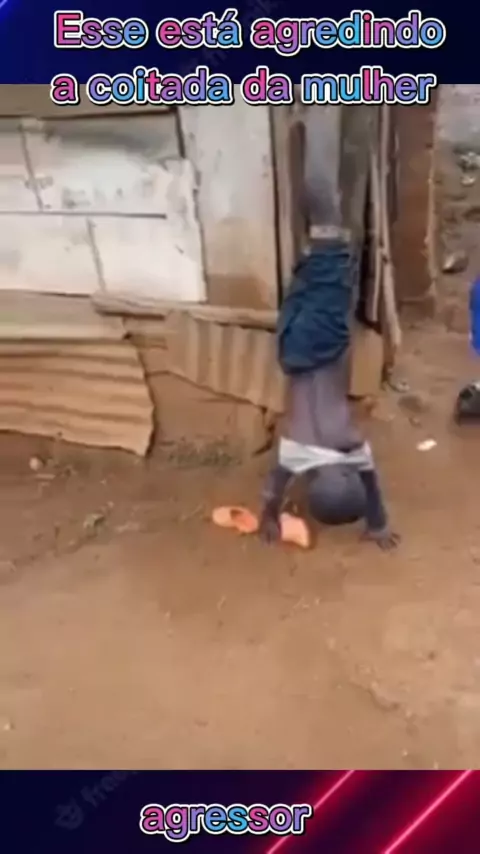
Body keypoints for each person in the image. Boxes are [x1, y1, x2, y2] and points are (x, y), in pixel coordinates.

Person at [258, 229, 399, 551]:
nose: (353, 474)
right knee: (303, 285)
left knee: (331, 256)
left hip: (322, 346)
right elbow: (273, 488)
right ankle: (314, 247)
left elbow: (369, 480)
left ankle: (323, 235)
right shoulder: (295, 454)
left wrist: (378, 523)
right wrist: (269, 517)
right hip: (291, 351)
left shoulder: (350, 443)